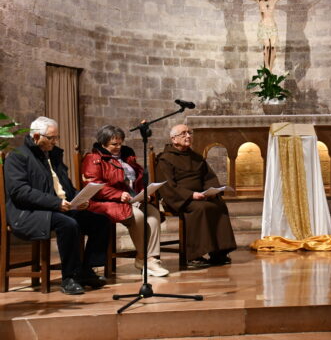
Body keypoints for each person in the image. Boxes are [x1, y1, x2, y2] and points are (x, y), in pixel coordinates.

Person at [4, 116, 110, 295]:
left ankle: (86, 269)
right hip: (29, 212)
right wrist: (56, 203)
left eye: (56, 138)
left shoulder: (53, 156)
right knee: (68, 224)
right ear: (36, 137)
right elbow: (20, 192)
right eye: (51, 138)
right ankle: (70, 277)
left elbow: (66, 187)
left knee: (100, 220)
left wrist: (79, 199)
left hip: (58, 207)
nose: (55, 141)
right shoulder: (18, 156)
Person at [81, 125, 169, 277]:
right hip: (107, 202)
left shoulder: (127, 157)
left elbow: (138, 181)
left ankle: (150, 259)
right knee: (138, 216)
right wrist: (118, 195)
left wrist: (144, 192)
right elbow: (94, 185)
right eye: (114, 144)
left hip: (132, 199)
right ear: (103, 144)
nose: (118, 147)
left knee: (153, 213)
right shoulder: (93, 159)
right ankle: (144, 257)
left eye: (120, 143)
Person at [155, 124, 236, 267]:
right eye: (183, 134)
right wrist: (191, 195)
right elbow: (167, 185)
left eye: (189, 133)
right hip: (179, 198)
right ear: (174, 139)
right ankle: (194, 256)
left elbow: (208, 177)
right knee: (200, 209)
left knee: (219, 205)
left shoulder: (196, 157)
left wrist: (211, 191)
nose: (188, 136)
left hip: (200, 196)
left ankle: (219, 252)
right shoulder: (165, 159)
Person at [219, 0, 313, 71]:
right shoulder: (258, 0)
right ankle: (266, 67)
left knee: (272, 47)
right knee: (267, 46)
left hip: (272, 27)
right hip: (263, 26)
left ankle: (270, 69)